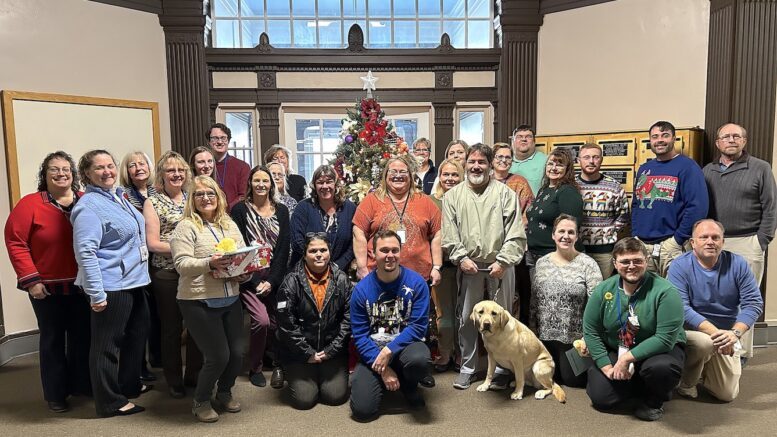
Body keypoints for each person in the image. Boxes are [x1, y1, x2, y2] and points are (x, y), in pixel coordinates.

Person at [4, 151, 91, 413]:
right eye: (54, 169)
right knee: (52, 339)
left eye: (66, 169)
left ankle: (82, 385)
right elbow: (15, 243)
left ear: (73, 174)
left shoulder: (86, 201)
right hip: (46, 288)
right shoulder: (30, 204)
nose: (61, 174)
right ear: (45, 174)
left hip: (83, 285)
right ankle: (56, 394)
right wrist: (31, 281)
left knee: (83, 337)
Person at [71, 150, 152, 417]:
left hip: (134, 281)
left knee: (136, 336)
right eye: (99, 168)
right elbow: (85, 252)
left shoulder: (118, 197)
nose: (107, 171)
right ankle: (108, 401)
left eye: (110, 165)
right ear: (86, 175)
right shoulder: (88, 206)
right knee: (107, 344)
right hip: (110, 285)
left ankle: (128, 385)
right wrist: (96, 294)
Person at [441, 143, 526, 390]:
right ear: (465, 164)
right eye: (472, 162)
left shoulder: (505, 194)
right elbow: (449, 234)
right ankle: (468, 368)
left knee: (502, 319)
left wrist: (504, 261)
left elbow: (516, 233)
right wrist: (461, 258)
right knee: (469, 319)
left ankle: (501, 369)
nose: (476, 166)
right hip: (469, 266)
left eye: (482, 162)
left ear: (490, 166)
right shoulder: (452, 196)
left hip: (502, 266)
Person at [170, 176, 249, 422]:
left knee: (237, 353)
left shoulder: (229, 224)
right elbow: (181, 264)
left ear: (219, 198)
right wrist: (209, 263)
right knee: (218, 356)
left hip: (230, 298)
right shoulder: (185, 226)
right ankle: (201, 400)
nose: (206, 198)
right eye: (199, 194)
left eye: (210, 193)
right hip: (198, 300)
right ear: (192, 200)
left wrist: (245, 271)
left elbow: (242, 254)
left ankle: (224, 392)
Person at [583, 237, 686, 422]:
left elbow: (664, 339)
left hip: (659, 352)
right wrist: (607, 367)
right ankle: (638, 382)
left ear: (646, 261)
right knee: (601, 398)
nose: (631, 266)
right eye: (625, 261)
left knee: (661, 370)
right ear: (615, 263)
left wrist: (626, 359)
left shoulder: (666, 291)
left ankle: (654, 399)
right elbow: (591, 330)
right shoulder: (603, 289)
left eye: (637, 260)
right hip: (619, 347)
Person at [703, 122, 776, 362]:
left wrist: (761, 241)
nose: (731, 140)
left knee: (747, 299)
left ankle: (740, 353)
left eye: (737, 136)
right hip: (714, 243)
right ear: (718, 143)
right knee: (716, 298)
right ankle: (717, 351)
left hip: (747, 241)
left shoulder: (760, 168)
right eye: (726, 136)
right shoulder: (708, 171)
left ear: (744, 141)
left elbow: (771, 208)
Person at [668, 219, 763, 401]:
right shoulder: (679, 266)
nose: (710, 241)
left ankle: (705, 367)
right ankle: (687, 383)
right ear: (692, 243)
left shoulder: (738, 264)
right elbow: (681, 308)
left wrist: (734, 333)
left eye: (715, 237)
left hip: (726, 335)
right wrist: (718, 335)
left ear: (723, 242)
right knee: (705, 343)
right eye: (703, 237)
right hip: (692, 333)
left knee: (726, 394)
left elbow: (753, 303)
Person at [349, 230, 431, 421]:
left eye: (395, 250)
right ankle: (383, 378)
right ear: (374, 254)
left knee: (420, 360)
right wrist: (384, 368)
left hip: (404, 349)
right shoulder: (361, 290)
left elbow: (419, 327)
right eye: (384, 250)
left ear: (400, 253)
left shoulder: (417, 283)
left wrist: (389, 350)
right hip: (373, 353)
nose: (390, 256)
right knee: (362, 411)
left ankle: (409, 384)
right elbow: (359, 336)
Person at [143, 151, 202, 398]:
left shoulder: (193, 198)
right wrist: (186, 250)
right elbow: (153, 243)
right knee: (171, 329)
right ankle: (174, 379)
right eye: (170, 170)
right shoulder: (152, 202)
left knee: (199, 326)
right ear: (162, 175)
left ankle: (194, 375)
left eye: (181, 170)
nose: (176, 174)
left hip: (195, 272)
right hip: (167, 273)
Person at [230, 165, 291, 389]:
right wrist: (256, 281)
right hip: (248, 277)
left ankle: (276, 363)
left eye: (266, 181)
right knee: (261, 320)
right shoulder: (239, 211)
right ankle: (255, 367)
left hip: (275, 275)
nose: (261, 185)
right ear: (250, 184)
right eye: (257, 180)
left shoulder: (282, 211)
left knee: (278, 321)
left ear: (271, 184)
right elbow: (238, 250)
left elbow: (284, 250)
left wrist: (271, 281)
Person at [276, 233, 352, 410]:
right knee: (305, 400)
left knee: (335, 396)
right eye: (313, 251)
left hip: (331, 350)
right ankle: (285, 368)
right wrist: (307, 353)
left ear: (329, 253)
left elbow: (349, 321)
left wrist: (331, 351)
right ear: (304, 255)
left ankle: (321, 371)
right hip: (299, 352)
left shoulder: (342, 280)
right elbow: (286, 325)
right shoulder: (290, 282)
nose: (319, 254)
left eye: (323, 250)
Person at [530, 214, 602, 388]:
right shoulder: (541, 263)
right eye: (561, 231)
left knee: (572, 381)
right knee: (544, 378)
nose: (566, 236)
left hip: (574, 339)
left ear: (577, 236)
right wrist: (532, 332)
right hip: (544, 338)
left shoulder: (588, 264)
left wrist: (589, 338)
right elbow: (534, 300)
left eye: (571, 232)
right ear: (553, 235)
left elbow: (597, 305)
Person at [632, 120, 708, 277]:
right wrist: (635, 235)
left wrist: (678, 239)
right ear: (650, 140)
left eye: (665, 135)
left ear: (674, 138)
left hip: (671, 246)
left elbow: (697, 208)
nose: (659, 140)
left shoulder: (688, 167)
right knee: (645, 295)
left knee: (674, 296)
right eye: (655, 136)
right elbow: (636, 204)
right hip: (643, 245)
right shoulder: (644, 169)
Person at [353, 155, 442, 287]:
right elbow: (358, 232)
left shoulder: (425, 201)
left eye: (403, 172)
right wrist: (361, 267)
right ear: (385, 175)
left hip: (418, 279)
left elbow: (438, 233)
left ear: (410, 176)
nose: (398, 175)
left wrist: (437, 266)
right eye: (393, 171)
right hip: (378, 277)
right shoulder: (371, 201)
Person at [119, 150, 162, 379]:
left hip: (161, 260)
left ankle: (158, 357)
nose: (138, 168)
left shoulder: (160, 191)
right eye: (132, 165)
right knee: (139, 318)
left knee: (158, 314)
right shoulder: (123, 196)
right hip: (136, 262)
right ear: (127, 172)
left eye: (142, 163)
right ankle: (140, 366)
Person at [429, 158, 464, 372]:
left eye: (454, 175)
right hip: (441, 265)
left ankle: (461, 353)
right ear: (439, 177)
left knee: (464, 312)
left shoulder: (469, 199)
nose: (450, 179)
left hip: (465, 265)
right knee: (443, 313)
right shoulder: (431, 201)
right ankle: (444, 352)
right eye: (446, 175)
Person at [576, 143, 630, 279]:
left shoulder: (614, 186)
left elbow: (623, 215)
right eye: (586, 157)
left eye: (595, 157)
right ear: (578, 160)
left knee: (602, 289)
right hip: (576, 249)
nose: (591, 161)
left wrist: (609, 232)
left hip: (604, 251)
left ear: (601, 160)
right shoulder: (571, 185)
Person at [289, 164, 356, 271]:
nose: (325, 186)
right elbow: (297, 242)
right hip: (305, 272)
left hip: (339, 272)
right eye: (320, 182)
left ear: (336, 184)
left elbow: (353, 243)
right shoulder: (303, 207)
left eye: (329, 181)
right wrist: (317, 264)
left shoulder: (349, 208)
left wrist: (337, 266)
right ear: (314, 186)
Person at [525, 148, 584, 263]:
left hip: (555, 256)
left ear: (567, 169)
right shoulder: (544, 189)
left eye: (560, 165)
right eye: (550, 164)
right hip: (534, 254)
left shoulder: (568, 191)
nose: (553, 168)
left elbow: (571, 227)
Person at [207, 123, 250, 210]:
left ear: (228, 141)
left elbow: (244, 195)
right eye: (215, 138)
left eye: (223, 138)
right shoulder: (203, 167)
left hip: (234, 216)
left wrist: (225, 209)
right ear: (208, 142)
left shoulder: (242, 166)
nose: (219, 142)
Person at [492, 142, 533, 218]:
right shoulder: (485, 182)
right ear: (492, 159)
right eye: (500, 157)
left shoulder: (520, 182)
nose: (504, 160)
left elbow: (528, 211)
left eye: (508, 157)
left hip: (514, 227)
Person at [509, 124, 547, 197]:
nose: (523, 139)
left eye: (528, 136)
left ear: (534, 142)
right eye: (519, 137)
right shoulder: (505, 162)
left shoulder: (546, 161)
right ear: (512, 142)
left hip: (535, 207)